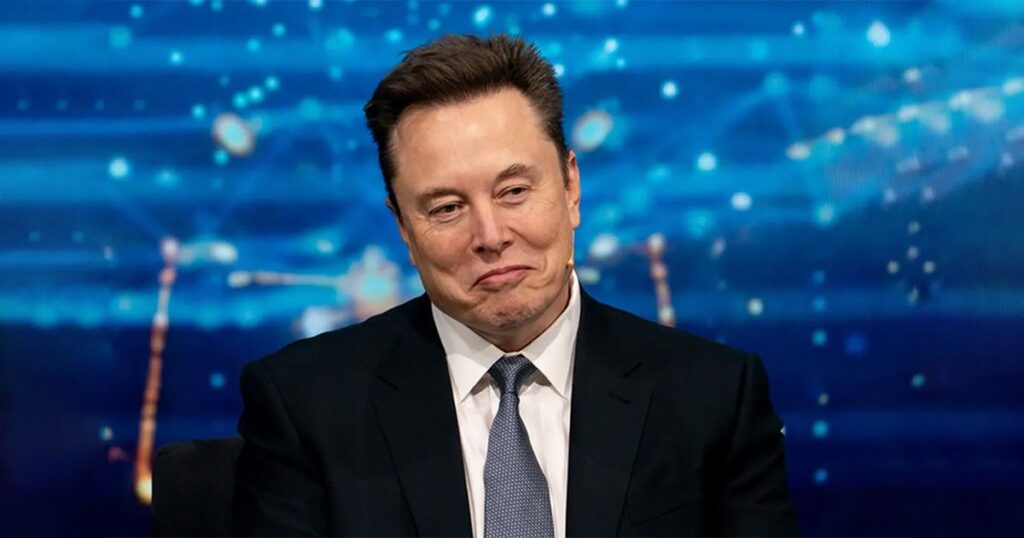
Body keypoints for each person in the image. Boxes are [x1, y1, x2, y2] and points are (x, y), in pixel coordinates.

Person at [233, 34, 799, 537]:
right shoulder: (306, 407)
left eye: (514, 192)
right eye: (447, 207)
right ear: (403, 227)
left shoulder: (713, 399)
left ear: (571, 186)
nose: (491, 236)